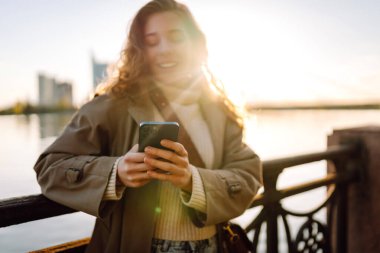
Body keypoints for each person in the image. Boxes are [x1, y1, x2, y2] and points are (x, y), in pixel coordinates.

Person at [34, 0, 262, 252]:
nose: (164, 49)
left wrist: (192, 179)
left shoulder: (217, 109)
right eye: (152, 41)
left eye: (176, 37)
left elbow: (248, 173)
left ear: (194, 44)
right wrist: (115, 172)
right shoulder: (113, 105)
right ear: (140, 50)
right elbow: (50, 166)